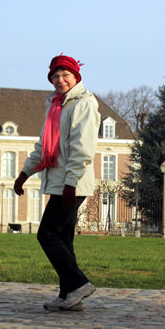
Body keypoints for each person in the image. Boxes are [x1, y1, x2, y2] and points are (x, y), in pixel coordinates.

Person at [14, 55, 101, 311]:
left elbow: (82, 148)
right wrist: (25, 173)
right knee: (63, 238)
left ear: (76, 76)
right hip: (59, 181)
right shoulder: (55, 105)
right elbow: (44, 145)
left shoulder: (83, 104)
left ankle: (78, 283)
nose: (60, 80)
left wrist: (71, 183)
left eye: (65, 75)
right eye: (55, 76)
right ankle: (69, 296)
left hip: (73, 183)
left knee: (47, 234)